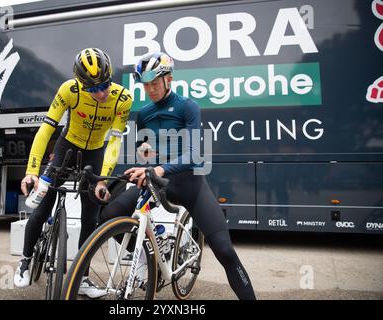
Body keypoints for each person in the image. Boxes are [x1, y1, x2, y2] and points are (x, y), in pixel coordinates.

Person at [100, 52, 256, 300]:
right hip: (156, 183)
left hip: (189, 185)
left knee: (225, 251)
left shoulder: (187, 106)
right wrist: (144, 159)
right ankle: (147, 257)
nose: (149, 89)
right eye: (145, 84)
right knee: (108, 215)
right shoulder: (144, 114)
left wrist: (160, 168)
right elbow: (143, 150)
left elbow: (194, 154)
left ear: (168, 79)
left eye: (154, 83)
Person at [14, 48, 132, 298]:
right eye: (92, 89)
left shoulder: (123, 99)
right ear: (80, 84)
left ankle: (83, 277)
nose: (100, 93)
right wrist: (31, 171)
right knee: (42, 206)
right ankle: (25, 261)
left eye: (105, 85)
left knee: (92, 217)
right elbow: (45, 130)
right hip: (66, 146)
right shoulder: (69, 90)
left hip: (96, 152)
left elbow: (114, 142)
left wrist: (101, 179)